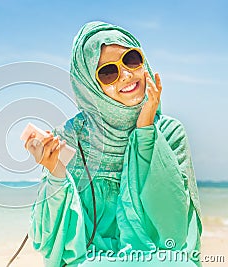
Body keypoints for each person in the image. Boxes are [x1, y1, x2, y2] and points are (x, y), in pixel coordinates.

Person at [24, 21, 202, 267]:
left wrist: (146, 131)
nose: (127, 75)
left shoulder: (170, 133)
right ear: (90, 86)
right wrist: (55, 173)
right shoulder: (71, 138)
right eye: (108, 72)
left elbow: (173, 228)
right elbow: (50, 240)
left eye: (131, 59)